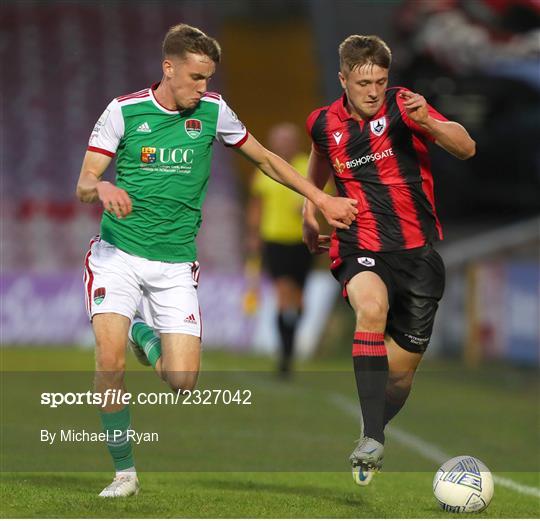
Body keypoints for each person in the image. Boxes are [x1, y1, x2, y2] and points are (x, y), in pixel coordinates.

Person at [76, 23, 358, 498]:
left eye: (208, 78)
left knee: (183, 380)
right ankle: (124, 472)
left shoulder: (213, 111)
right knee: (109, 363)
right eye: (196, 77)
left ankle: (142, 333)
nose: (204, 87)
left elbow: (266, 159)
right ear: (169, 68)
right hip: (117, 255)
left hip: (175, 263)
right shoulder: (123, 112)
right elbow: (84, 181)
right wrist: (102, 187)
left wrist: (320, 199)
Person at [302, 34, 475, 486]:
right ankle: (373, 439)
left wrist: (431, 125)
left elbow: (465, 146)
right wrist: (311, 210)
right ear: (343, 79)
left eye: (381, 80)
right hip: (359, 242)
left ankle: (372, 423)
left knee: (398, 379)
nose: (374, 91)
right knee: (371, 310)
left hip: (417, 254)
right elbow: (319, 165)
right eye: (363, 83)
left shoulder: (405, 105)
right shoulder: (322, 122)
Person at [245, 123, 314, 376]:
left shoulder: (309, 166)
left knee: (299, 299)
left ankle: (290, 347)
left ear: (296, 142)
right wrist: (253, 234)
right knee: (283, 292)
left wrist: (310, 210)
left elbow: (326, 198)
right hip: (274, 239)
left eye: (288, 140)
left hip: (304, 240)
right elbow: (257, 203)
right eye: (279, 140)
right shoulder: (266, 167)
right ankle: (285, 356)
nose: (283, 145)